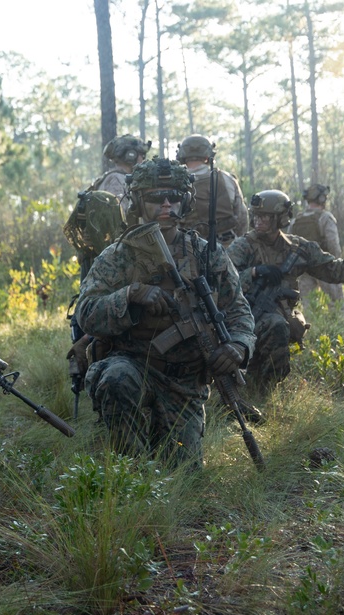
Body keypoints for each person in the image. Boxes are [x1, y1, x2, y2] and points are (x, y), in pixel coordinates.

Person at [77, 158, 255, 468]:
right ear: (139, 203)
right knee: (116, 380)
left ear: (185, 202)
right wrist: (131, 295)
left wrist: (238, 345)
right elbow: (87, 312)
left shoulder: (206, 253)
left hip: (185, 381)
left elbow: (238, 310)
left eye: (174, 197)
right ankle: (127, 471)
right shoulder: (118, 255)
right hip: (134, 364)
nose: (166, 205)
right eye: (156, 198)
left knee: (183, 476)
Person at [227, 189, 344, 388]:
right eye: (256, 215)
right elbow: (223, 281)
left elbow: (336, 271)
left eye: (265, 216)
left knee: (282, 324)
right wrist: (254, 272)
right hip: (244, 317)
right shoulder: (242, 246)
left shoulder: (297, 248)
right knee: (276, 325)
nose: (258, 220)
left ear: (280, 219)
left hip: (278, 316)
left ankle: (265, 387)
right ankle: (255, 383)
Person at [175, 134, 249, 247]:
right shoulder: (227, 179)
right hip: (226, 247)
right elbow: (242, 218)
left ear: (182, 155)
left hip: (188, 249)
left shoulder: (175, 182)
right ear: (208, 155)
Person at [288, 184, 344, 319]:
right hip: (325, 266)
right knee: (337, 303)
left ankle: (311, 333)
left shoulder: (295, 221)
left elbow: (290, 245)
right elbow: (333, 244)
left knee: (308, 307)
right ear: (322, 199)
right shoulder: (326, 217)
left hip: (303, 269)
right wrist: (335, 262)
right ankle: (342, 332)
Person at [89, 134, 151, 203]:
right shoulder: (117, 179)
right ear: (131, 155)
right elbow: (119, 211)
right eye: (142, 155)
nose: (143, 159)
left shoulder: (118, 178)